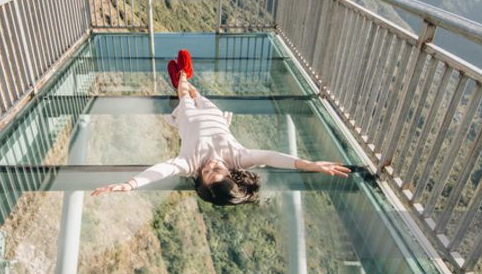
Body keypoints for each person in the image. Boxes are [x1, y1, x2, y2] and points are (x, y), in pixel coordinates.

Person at [91, 50, 351, 205]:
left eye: (207, 173)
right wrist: (310, 164)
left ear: (200, 178)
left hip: (188, 116)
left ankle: (181, 76)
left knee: (185, 96)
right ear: (230, 173)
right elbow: (272, 157)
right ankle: (184, 78)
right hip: (214, 116)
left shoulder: (189, 163)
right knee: (196, 94)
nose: (211, 165)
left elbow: (161, 171)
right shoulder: (238, 159)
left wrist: (131, 184)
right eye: (218, 170)